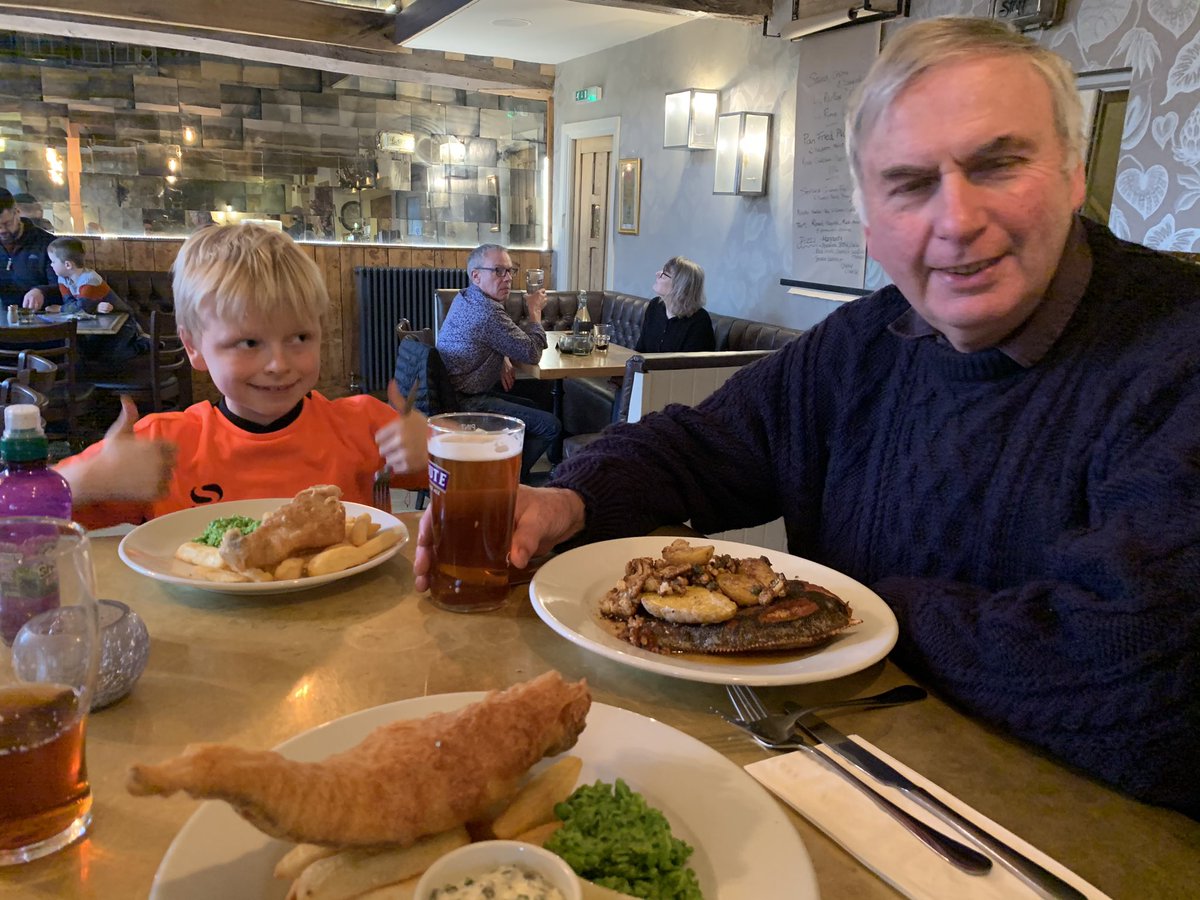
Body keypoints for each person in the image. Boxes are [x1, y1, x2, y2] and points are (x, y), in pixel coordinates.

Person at [414, 19, 1200, 816]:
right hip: (838, 783)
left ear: (1072, 174)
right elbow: (701, 445)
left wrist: (853, 614)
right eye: (910, 183)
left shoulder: (1174, 354)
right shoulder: (868, 339)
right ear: (870, 227)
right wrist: (569, 500)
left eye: (999, 164)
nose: (957, 219)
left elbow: (1153, 678)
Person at [56, 223, 426, 528]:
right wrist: (87, 480)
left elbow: (479, 486)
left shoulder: (365, 425)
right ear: (193, 346)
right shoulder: (159, 447)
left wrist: (435, 453)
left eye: (299, 337)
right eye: (249, 342)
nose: (279, 364)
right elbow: (16, 526)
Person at [436, 243, 561, 483]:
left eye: (510, 271)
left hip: (453, 394)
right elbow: (532, 353)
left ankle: (508, 471)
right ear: (476, 276)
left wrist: (502, 355)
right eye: (498, 271)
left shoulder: (465, 297)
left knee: (537, 401)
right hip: (466, 402)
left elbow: (488, 338)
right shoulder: (488, 312)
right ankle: (508, 480)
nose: (507, 278)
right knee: (550, 425)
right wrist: (534, 311)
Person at [45, 236, 150, 376]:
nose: (51, 265)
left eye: (53, 261)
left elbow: (80, 309)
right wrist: (88, 307)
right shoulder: (63, 278)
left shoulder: (90, 280)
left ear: (68, 265)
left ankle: (144, 343)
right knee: (84, 351)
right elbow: (70, 303)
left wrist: (59, 309)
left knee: (112, 356)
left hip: (123, 323)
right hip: (97, 326)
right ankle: (83, 387)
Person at [634, 256, 715, 353]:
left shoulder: (700, 321)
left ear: (679, 285)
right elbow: (640, 350)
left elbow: (690, 366)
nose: (657, 274)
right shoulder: (655, 306)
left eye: (664, 274)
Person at [0, 188, 56, 311]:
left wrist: (42, 291)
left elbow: (66, 288)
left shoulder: (48, 244)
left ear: (17, 212)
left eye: (7, 224)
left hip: (40, 320)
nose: (2, 230)